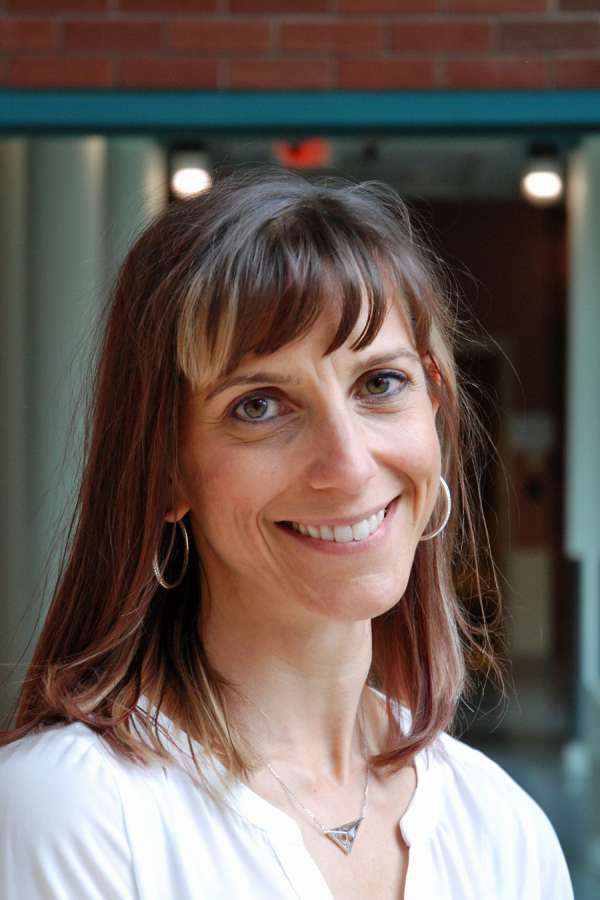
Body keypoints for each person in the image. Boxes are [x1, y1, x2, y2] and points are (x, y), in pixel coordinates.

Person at [0, 168, 573, 899]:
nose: (349, 464)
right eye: (261, 405)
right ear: (167, 469)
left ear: (434, 403)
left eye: (379, 384)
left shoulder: (500, 829)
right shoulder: (77, 817)